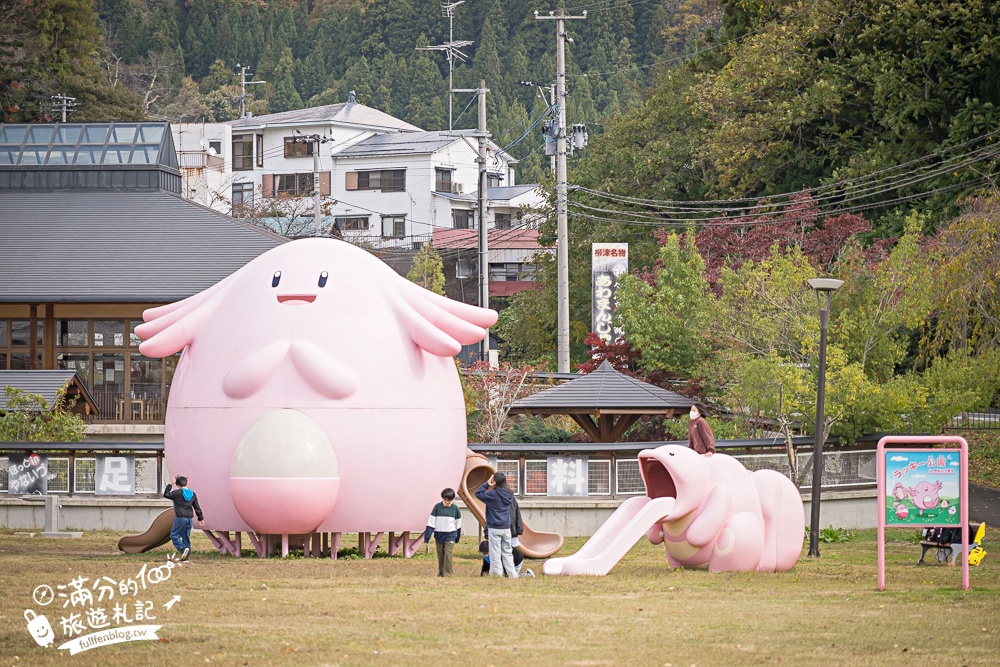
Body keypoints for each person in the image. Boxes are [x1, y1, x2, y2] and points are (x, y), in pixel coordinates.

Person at [475, 472, 518, 578]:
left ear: (495, 481)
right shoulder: (509, 493)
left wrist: (487, 484)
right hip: (506, 527)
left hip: (494, 527)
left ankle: (497, 574)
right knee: (507, 552)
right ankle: (512, 575)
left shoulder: (493, 494)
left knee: (495, 553)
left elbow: (478, 493)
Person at [422, 487, 462, 577]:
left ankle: (447, 573)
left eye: (449, 501)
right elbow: (431, 523)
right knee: (440, 554)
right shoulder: (437, 507)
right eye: (445, 500)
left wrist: (457, 537)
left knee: (448, 554)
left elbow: (458, 525)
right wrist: (427, 537)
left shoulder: (455, 509)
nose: (447, 503)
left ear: (453, 499)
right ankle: (441, 572)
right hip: (439, 534)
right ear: (442, 498)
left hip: (451, 534)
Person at [163, 475, 204, 561]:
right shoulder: (192, 494)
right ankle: (186, 558)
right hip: (189, 519)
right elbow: (197, 507)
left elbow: (166, 494)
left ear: (177, 485)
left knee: (174, 535)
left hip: (180, 518)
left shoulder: (177, 493)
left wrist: (170, 484)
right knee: (186, 537)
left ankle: (182, 548)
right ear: (186, 483)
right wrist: (200, 518)